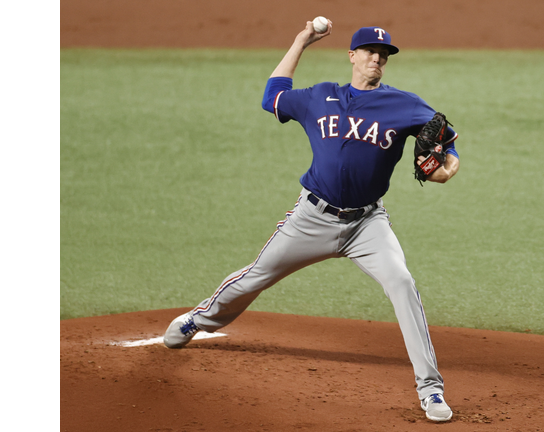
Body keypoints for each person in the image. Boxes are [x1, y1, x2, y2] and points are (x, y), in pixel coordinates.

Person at [163, 20, 461, 422]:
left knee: (403, 283)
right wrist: (301, 41)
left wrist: (449, 167)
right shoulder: (320, 96)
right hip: (311, 218)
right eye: (370, 51)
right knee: (257, 275)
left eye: (384, 53)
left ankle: (431, 390)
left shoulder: (404, 104)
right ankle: (198, 319)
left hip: (367, 224)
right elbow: (273, 96)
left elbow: (445, 138)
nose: (377, 58)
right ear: (352, 55)